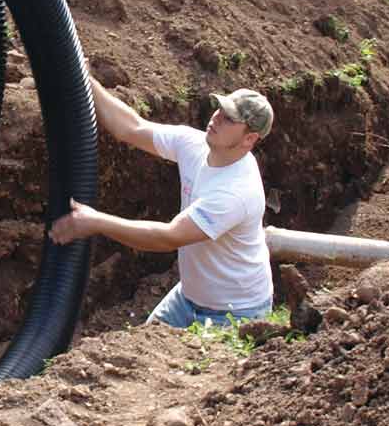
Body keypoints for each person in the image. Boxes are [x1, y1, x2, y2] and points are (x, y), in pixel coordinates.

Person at [49, 76, 274, 328]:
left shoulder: (236, 192)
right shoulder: (195, 145)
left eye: (229, 118)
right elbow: (131, 128)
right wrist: (86, 79)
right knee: (144, 348)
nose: (217, 118)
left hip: (234, 313)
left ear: (249, 139)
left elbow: (168, 237)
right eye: (220, 109)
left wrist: (96, 221)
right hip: (188, 297)